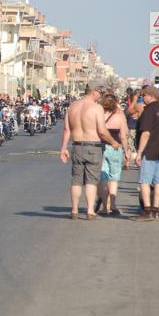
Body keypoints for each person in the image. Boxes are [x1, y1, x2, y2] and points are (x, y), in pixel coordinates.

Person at [59, 83, 120, 220]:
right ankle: (90, 211)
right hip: (93, 147)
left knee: (76, 180)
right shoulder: (96, 108)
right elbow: (102, 131)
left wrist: (63, 148)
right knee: (91, 181)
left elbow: (67, 129)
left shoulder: (72, 106)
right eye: (100, 93)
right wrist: (113, 142)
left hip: (77, 146)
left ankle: (74, 210)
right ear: (94, 92)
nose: (100, 96)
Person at [135, 86, 159, 221]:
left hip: (149, 150)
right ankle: (156, 211)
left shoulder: (149, 111)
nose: (142, 97)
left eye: (143, 95)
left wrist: (139, 152)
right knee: (158, 182)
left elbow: (145, 133)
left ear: (150, 96)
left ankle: (147, 211)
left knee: (144, 181)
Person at [98, 93, 130, 215]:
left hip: (101, 147)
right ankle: (113, 204)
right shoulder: (119, 116)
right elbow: (123, 135)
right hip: (115, 148)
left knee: (103, 177)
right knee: (114, 178)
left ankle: (105, 206)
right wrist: (126, 151)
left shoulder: (99, 115)